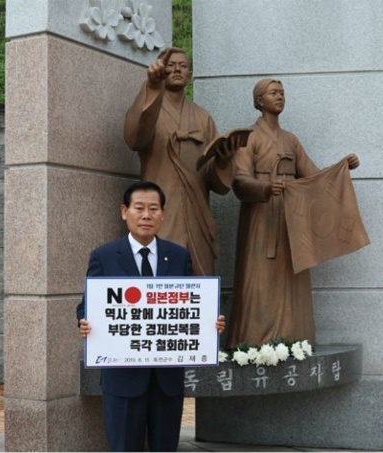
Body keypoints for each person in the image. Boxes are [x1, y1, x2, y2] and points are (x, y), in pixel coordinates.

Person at [76, 181, 225, 452]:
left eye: (153, 209)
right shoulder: (105, 256)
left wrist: (209, 323)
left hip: (167, 381)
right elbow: (88, 305)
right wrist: (85, 322)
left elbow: (190, 304)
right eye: (139, 208)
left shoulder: (178, 256)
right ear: (124, 211)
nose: (146, 215)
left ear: (163, 214)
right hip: (122, 380)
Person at [225, 79, 359, 349]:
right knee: (259, 279)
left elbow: (314, 177)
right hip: (261, 219)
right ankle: (253, 342)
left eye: (282, 93)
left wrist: (341, 168)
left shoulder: (291, 140)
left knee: (291, 277)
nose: (280, 97)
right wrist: (264, 187)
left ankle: (294, 339)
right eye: (274, 93)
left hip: (290, 218)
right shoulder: (247, 138)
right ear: (259, 100)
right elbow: (239, 181)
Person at [124, 47, 235, 276]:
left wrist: (223, 161)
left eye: (183, 66)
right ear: (161, 69)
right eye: (171, 64)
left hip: (196, 213)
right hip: (162, 208)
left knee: (199, 281)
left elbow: (216, 180)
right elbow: (134, 138)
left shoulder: (203, 117)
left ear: (190, 74)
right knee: (161, 275)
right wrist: (152, 88)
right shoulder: (151, 106)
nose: (176, 69)